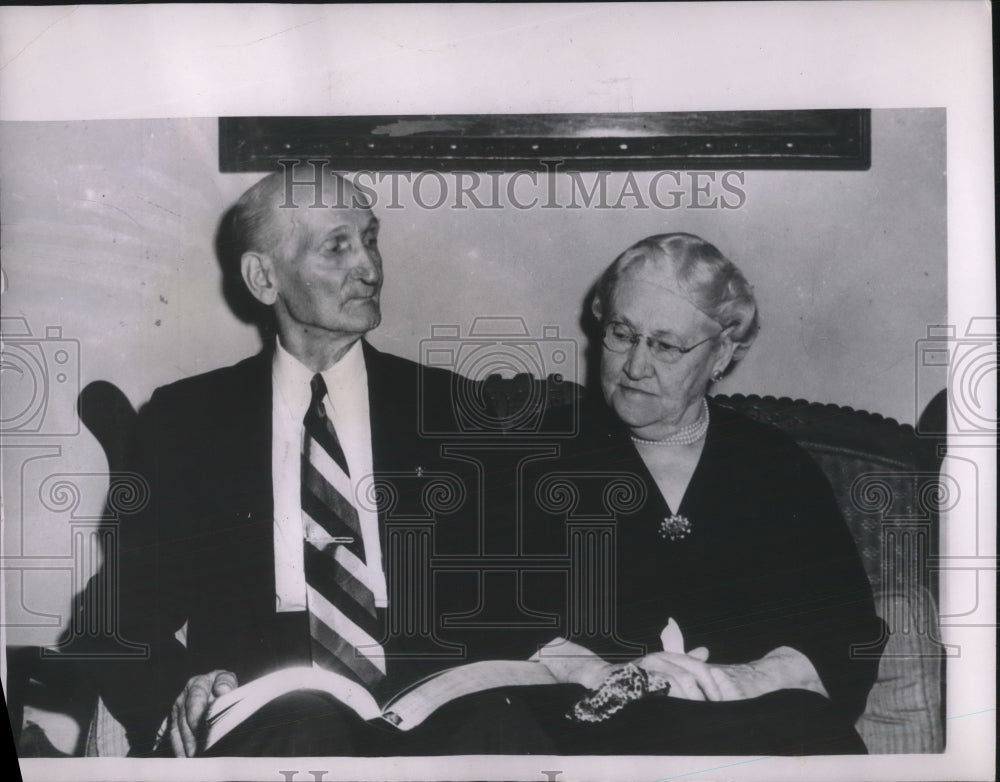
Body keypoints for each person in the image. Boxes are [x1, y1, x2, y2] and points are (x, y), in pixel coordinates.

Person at [100, 167, 558, 757]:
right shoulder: (188, 420)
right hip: (268, 704)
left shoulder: (454, 409)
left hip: (441, 704)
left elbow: (523, 589)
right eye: (336, 246)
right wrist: (181, 689)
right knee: (302, 732)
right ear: (263, 278)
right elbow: (116, 613)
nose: (369, 267)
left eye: (369, 238)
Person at [513, 232, 887, 754]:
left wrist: (751, 679)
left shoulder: (774, 465)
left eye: (665, 345)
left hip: (755, 729)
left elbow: (845, 628)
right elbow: (483, 611)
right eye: (622, 334)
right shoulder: (534, 457)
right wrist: (596, 674)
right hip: (586, 731)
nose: (636, 366)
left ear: (722, 354)